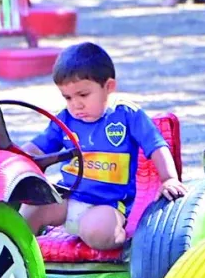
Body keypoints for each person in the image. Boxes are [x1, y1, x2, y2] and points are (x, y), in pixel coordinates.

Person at [21, 42, 187, 251]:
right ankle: (17, 256)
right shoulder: (65, 119)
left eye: (83, 95)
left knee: (97, 232)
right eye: (68, 97)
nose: (76, 104)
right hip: (68, 198)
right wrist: (12, 157)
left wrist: (169, 178)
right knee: (28, 211)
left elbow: (156, 145)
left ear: (108, 87)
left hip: (107, 205)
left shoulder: (126, 114)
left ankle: (123, 241)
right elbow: (36, 148)